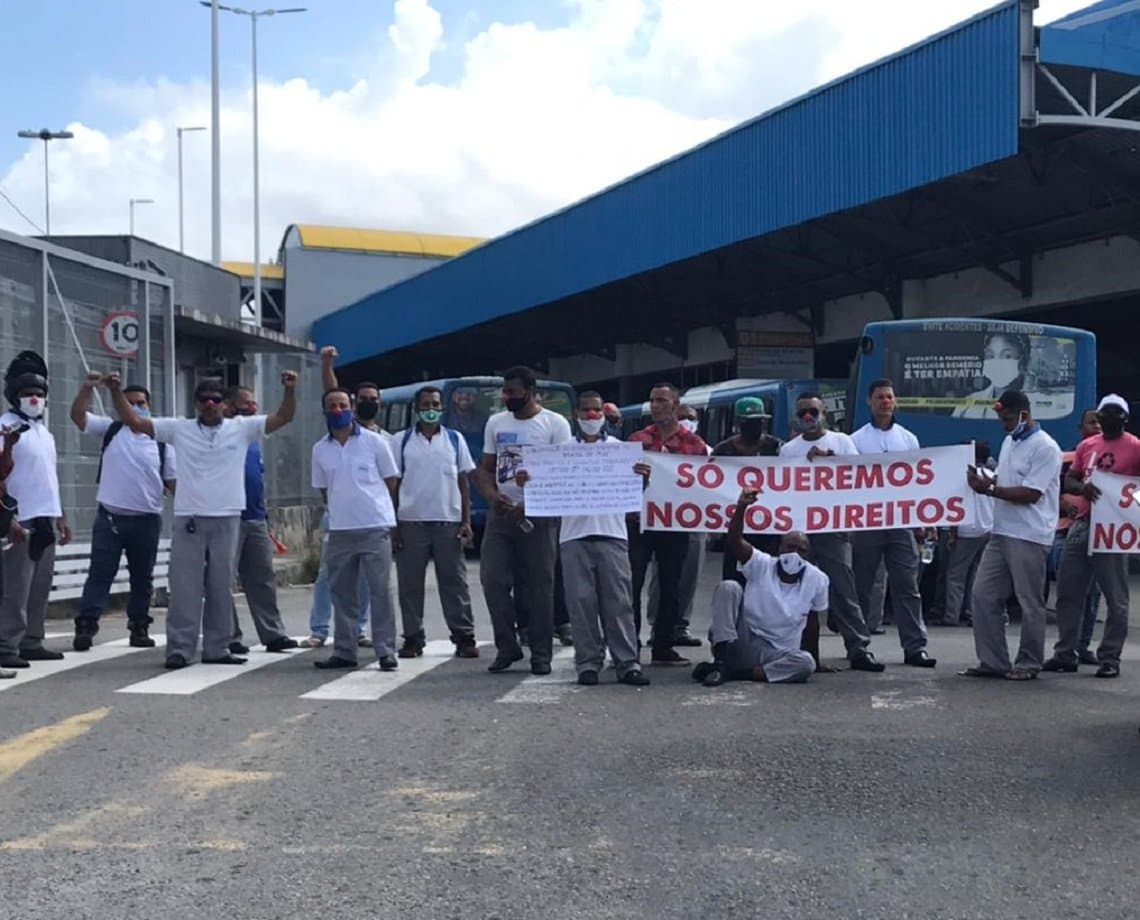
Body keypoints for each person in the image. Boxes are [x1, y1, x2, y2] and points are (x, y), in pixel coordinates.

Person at [108, 371, 297, 670]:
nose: (210, 404)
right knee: (184, 587)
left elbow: (284, 417)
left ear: (225, 404)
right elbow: (135, 422)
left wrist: (290, 389)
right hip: (190, 518)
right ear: (196, 404)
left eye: (216, 400)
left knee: (221, 586)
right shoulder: (179, 429)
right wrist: (116, 391)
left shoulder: (242, 427)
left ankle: (217, 647)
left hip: (227, 516)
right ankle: (180, 649)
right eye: (204, 400)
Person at [520, 390, 650, 687]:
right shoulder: (561, 452)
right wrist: (528, 482)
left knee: (618, 603)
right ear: (576, 416)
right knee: (581, 604)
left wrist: (642, 480)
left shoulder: (621, 450)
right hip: (573, 537)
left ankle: (627, 663)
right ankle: (588, 663)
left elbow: (633, 497)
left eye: (596, 411)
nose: (592, 417)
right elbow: (544, 489)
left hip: (613, 534)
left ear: (604, 415)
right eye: (586, 411)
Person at [474, 366, 572, 675]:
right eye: (505, 392)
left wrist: (531, 503)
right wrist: (492, 497)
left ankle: (541, 653)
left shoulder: (554, 424)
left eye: (513, 392)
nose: (507, 398)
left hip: (540, 516)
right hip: (502, 515)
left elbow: (563, 472)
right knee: (492, 578)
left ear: (530, 391)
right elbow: (485, 469)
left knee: (541, 584)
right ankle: (507, 646)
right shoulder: (496, 423)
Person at [68, 373, 176, 651]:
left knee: (143, 577)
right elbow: (78, 416)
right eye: (130, 403)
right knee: (100, 574)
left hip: (146, 520)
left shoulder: (162, 441)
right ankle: (86, 625)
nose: (136, 407)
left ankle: (139, 627)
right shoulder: (111, 430)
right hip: (111, 519)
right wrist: (87, 387)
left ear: (149, 406)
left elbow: (173, 483)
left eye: (141, 403)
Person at [779, 393, 884, 672]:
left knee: (843, 587)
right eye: (802, 413)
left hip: (832, 527)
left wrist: (830, 461)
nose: (808, 417)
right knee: (796, 590)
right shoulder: (788, 450)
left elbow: (857, 479)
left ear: (824, 412)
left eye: (812, 411)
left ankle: (858, 648)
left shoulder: (841, 442)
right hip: (798, 529)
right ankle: (795, 648)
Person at [962, 390, 1061, 681]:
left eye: (1007, 419)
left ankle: (1029, 662)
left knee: (1029, 602)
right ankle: (993, 662)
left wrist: (990, 489)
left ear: (1025, 415)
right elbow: (1006, 482)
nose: (1003, 424)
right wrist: (986, 481)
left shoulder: (1045, 447)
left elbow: (1031, 493)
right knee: (982, 595)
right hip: (1002, 529)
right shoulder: (1009, 442)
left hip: (1029, 534)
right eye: (1001, 419)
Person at [1042, 394, 1140, 678]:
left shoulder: (1135, 447)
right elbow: (1070, 478)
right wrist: (1082, 489)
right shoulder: (1087, 446)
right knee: (1069, 592)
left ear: (1124, 418)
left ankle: (1110, 657)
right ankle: (1065, 652)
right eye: (1103, 414)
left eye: (1114, 414)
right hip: (1083, 523)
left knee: (1115, 597)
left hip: (1114, 529)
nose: (1107, 419)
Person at [310, 386, 402, 671]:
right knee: (342, 593)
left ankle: (385, 650)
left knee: (380, 592)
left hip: (374, 526)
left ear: (350, 407)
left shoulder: (375, 442)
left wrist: (379, 510)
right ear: (325, 411)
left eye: (342, 405)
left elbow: (391, 481)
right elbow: (324, 490)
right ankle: (345, 651)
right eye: (332, 406)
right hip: (340, 530)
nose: (338, 410)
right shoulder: (319, 449)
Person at [692, 494, 824, 688]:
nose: (794, 553)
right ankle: (720, 662)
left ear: (808, 555)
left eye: (801, 550)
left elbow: (813, 623)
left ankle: (730, 673)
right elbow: (735, 540)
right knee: (729, 587)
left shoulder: (816, 579)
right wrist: (741, 507)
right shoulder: (763, 564)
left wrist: (817, 662)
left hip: (775, 652)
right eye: (790, 547)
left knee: (806, 663)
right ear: (780, 548)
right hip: (744, 640)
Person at [849, 379, 936, 667]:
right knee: (861, 585)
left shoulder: (908, 439)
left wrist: (921, 519)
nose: (885, 401)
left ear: (894, 401)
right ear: (869, 402)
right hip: (867, 521)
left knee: (907, 586)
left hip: (900, 521)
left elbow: (917, 481)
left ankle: (914, 647)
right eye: (879, 397)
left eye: (889, 397)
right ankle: (858, 646)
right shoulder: (856, 440)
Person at [393, 385, 479, 659]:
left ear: (442, 408)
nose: (431, 409)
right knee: (409, 585)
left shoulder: (455, 440)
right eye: (426, 405)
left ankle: (464, 636)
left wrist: (466, 521)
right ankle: (413, 638)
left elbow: (463, 482)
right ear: (417, 409)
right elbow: (392, 484)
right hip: (411, 522)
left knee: (454, 583)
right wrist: (393, 524)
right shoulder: (401, 441)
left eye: (435, 404)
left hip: (448, 522)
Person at [0, 350, 73, 670]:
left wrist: (61, 516)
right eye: (28, 394)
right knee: (15, 588)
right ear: (15, 396)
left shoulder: (45, 433)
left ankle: (32, 641)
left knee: (39, 586)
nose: (35, 399)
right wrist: (9, 518)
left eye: (40, 394)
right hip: (19, 518)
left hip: (46, 517)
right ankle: (5, 644)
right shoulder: (4, 428)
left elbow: (49, 477)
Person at [628, 383, 709, 665]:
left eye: (662, 400)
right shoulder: (636, 440)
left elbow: (702, 486)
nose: (655, 406)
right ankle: (629, 646)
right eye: (652, 400)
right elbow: (621, 481)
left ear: (675, 405)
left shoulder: (694, 445)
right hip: (639, 522)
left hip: (674, 523)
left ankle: (663, 645)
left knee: (671, 584)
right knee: (632, 583)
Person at [223, 385, 299, 655]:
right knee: (223, 579)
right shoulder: (223, 433)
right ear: (230, 406)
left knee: (262, 578)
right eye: (246, 403)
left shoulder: (254, 436)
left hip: (255, 517)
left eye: (255, 403)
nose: (253, 408)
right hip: (228, 516)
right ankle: (228, 636)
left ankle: (273, 634)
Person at [712, 396, 782, 584]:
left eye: (759, 421)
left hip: (769, 528)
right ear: (738, 422)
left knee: (768, 580)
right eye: (749, 422)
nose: (755, 426)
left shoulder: (776, 448)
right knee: (733, 583)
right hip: (736, 527)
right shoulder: (722, 451)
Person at [933, 442, 994, 628]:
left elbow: (957, 507)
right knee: (974, 574)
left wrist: (952, 534)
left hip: (967, 531)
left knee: (955, 575)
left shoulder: (966, 477)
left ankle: (951, 615)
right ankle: (972, 613)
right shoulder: (992, 476)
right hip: (987, 530)